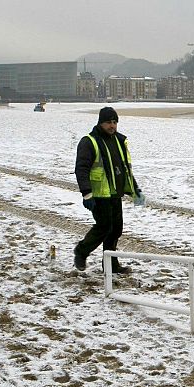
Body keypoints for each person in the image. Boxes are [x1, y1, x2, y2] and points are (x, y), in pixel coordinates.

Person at [74, 106, 146, 273]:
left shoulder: (119, 141)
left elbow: (125, 169)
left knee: (116, 230)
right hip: (99, 195)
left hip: (115, 194)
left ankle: (111, 265)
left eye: (114, 122)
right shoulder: (89, 141)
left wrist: (135, 190)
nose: (112, 126)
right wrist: (86, 193)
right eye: (108, 122)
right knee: (104, 227)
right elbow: (81, 168)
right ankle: (81, 251)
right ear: (100, 123)